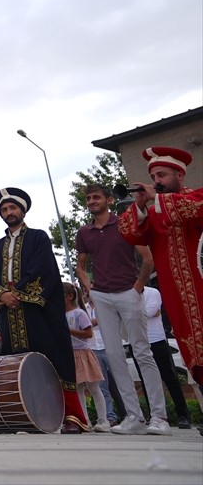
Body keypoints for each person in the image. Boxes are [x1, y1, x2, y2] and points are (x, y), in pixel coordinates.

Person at [0, 186, 89, 433]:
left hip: (38, 311)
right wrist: (2, 295)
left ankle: (74, 418)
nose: (9, 212)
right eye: (5, 209)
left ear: (23, 210)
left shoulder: (39, 237)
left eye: (13, 208)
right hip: (9, 314)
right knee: (17, 366)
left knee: (53, 360)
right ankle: (29, 418)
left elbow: (43, 269)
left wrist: (17, 294)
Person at [74, 180, 169, 435]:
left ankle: (159, 417)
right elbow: (81, 266)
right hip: (102, 296)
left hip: (129, 290)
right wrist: (89, 288)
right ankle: (134, 417)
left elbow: (147, 257)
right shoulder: (84, 232)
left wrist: (138, 285)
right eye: (89, 199)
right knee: (115, 356)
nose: (92, 202)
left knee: (142, 352)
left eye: (96, 197)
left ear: (108, 200)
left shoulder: (125, 223)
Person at [118, 146, 203, 399]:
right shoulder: (154, 209)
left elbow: (195, 209)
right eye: (154, 177)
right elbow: (128, 233)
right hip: (177, 295)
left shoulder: (195, 197)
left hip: (200, 284)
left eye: (162, 176)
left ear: (180, 175)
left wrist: (157, 198)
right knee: (193, 352)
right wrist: (141, 207)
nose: (157, 181)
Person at [141, 283, 194, 429]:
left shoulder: (152, 292)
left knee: (170, 378)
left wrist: (132, 314)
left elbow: (150, 311)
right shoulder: (126, 295)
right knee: (147, 381)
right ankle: (154, 415)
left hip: (157, 340)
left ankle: (183, 415)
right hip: (138, 342)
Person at [64, 282, 109, 432]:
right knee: (78, 389)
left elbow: (88, 333)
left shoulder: (79, 313)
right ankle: (85, 421)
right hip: (71, 354)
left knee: (93, 387)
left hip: (83, 353)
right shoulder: (62, 315)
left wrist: (69, 331)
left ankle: (103, 420)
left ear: (70, 296)